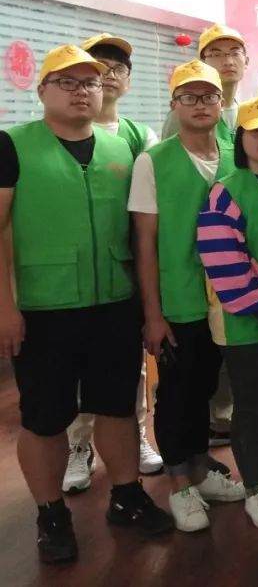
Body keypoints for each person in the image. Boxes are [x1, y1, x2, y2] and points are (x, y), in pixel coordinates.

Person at [0, 45, 173, 564]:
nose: (82, 91)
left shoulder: (122, 149)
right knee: (44, 418)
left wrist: (148, 309)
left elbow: (141, 235)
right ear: (42, 90)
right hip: (43, 307)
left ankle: (126, 495)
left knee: (117, 407)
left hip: (114, 303)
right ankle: (51, 513)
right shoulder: (13, 145)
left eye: (91, 83)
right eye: (68, 82)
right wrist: (5, 307)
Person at [132, 59, 247, 532]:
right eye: (189, 97)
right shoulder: (153, 161)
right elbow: (144, 242)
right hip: (179, 297)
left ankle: (200, 469)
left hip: (232, 297)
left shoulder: (236, 153)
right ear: (174, 104)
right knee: (178, 391)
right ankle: (179, 483)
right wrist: (153, 314)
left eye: (209, 96)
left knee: (206, 387)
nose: (201, 105)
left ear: (222, 102)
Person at [60, 33, 162, 495]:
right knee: (76, 364)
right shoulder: (58, 134)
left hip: (126, 266)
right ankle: (78, 445)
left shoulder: (140, 137)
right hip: (71, 271)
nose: (109, 76)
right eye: (98, 69)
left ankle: (135, 434)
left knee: (130, 362)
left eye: (118, 68)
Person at [197, 95, 258, 531]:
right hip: (246, 320)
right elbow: (224, 259)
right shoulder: (226, 190)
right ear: (240, 139)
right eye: (257, 132)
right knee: (252, 404)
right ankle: (255, 486)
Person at [163, 23, 249, 446]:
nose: (227, 60)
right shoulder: (177, 123)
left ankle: (226, 419)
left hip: (237, 259)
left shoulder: (250, 115)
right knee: (191, 370)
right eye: (216, 53)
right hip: (187, 263)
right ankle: (194, 448)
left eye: (234, 52)